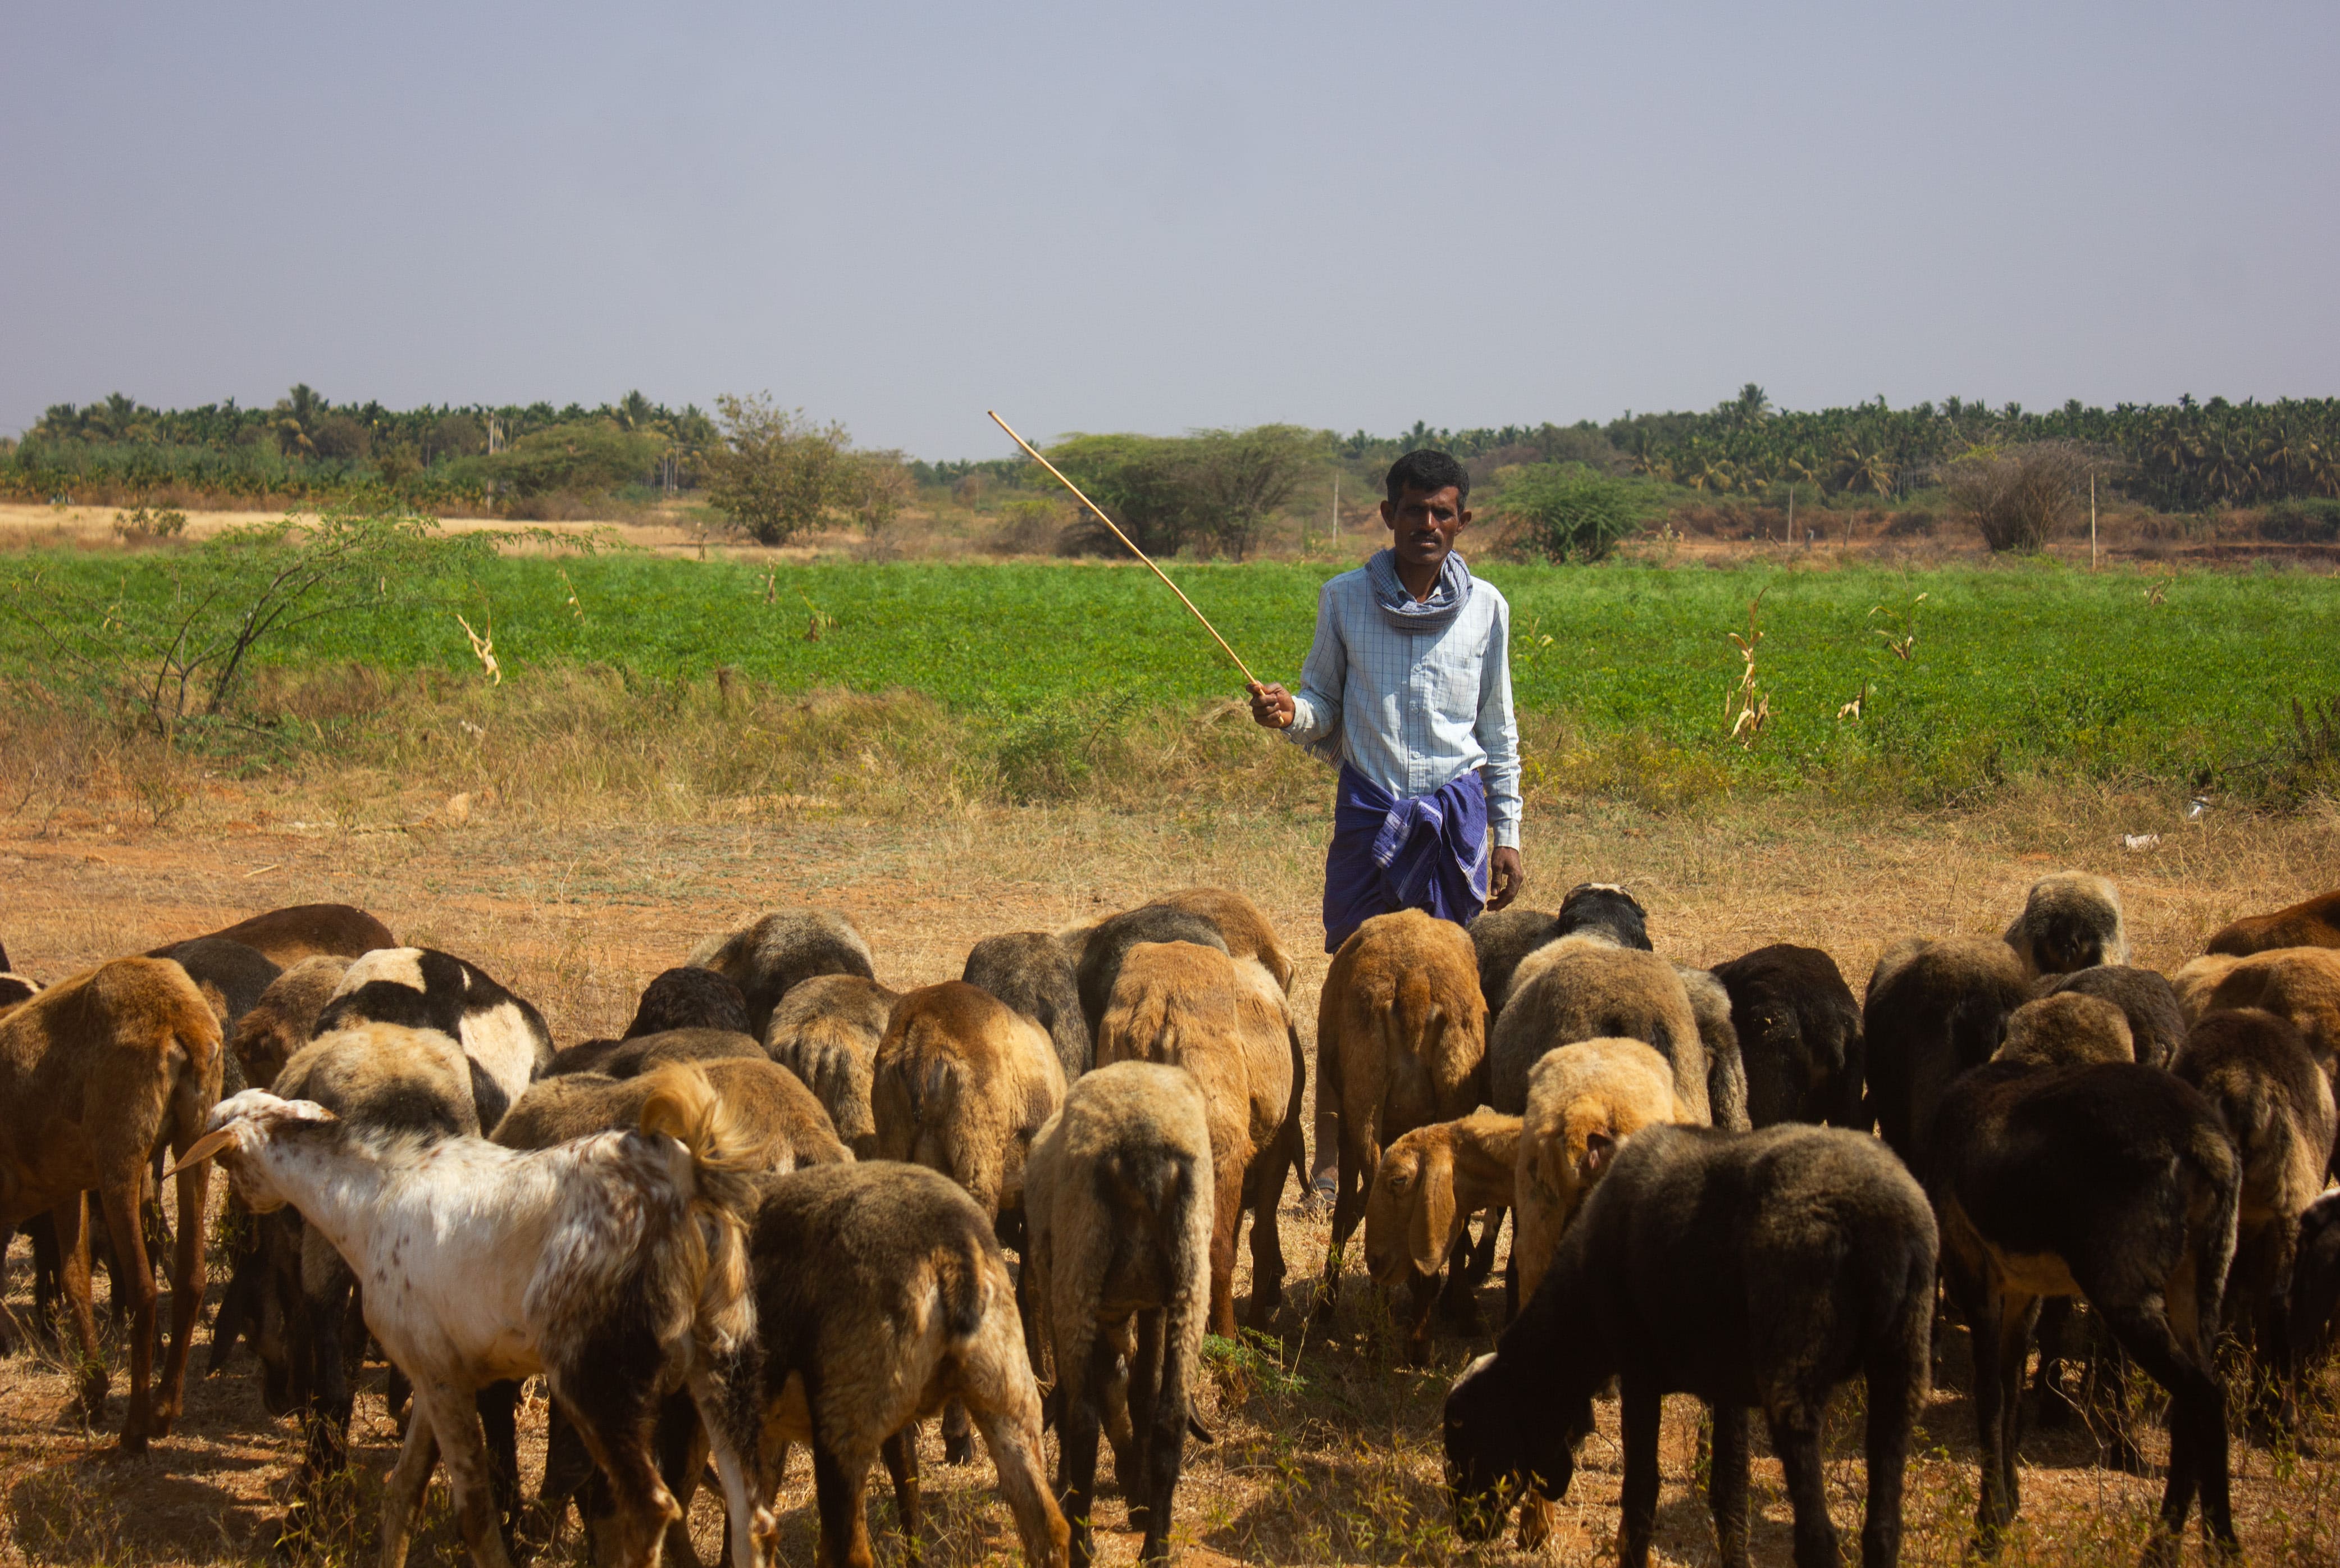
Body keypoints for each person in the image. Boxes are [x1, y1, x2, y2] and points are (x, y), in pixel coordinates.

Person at [1246, 448, 1523, 1197]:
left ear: (1462, 520)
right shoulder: (1343, 599)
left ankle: (1440, 1153)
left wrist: (1510, 835)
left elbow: (1498, 734)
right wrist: (1288, 714)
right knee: (1353, 986)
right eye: (1413, 510)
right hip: (1372, 812)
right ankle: (1335, 1160)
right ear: (1387, 515)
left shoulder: (1489, 609)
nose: (1427, 525)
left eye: (1442, 512)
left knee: (1453, 994)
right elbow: (1322, 704)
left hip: (1455, 819)